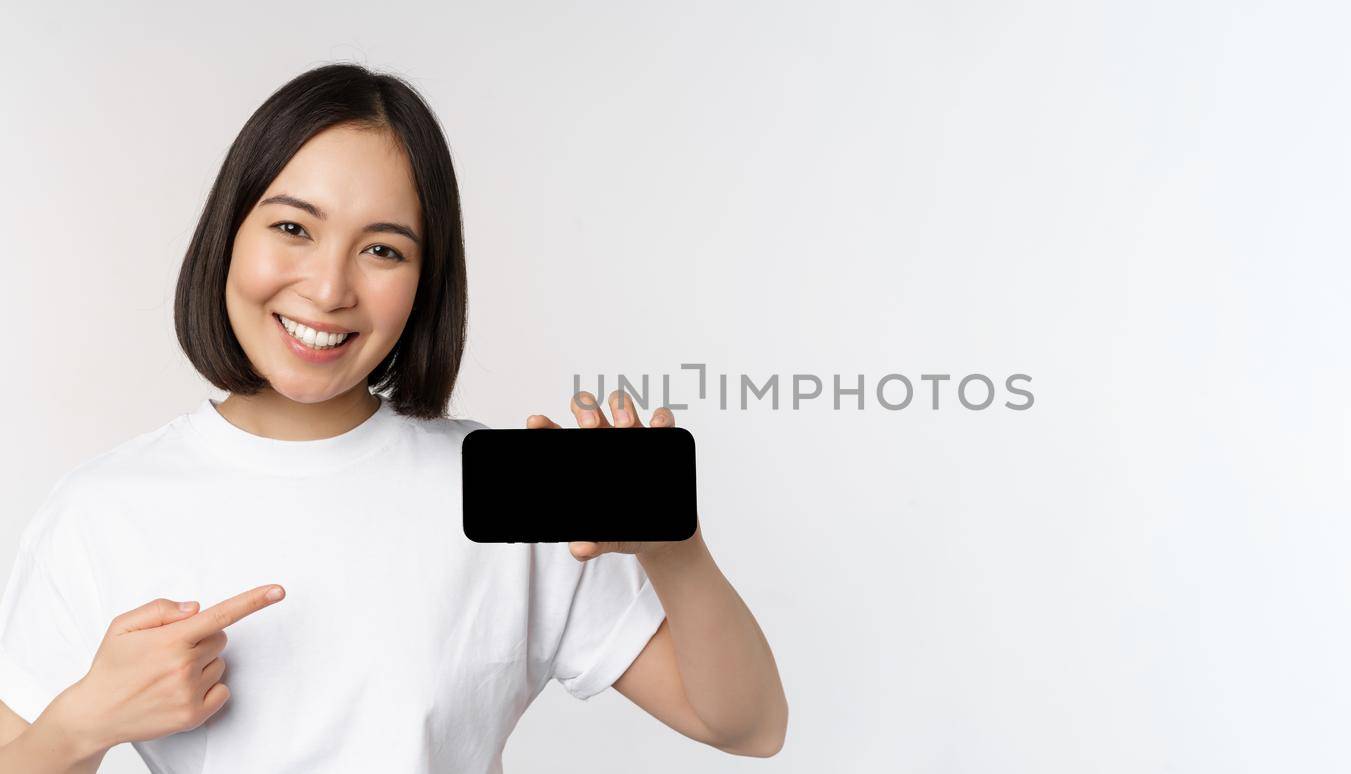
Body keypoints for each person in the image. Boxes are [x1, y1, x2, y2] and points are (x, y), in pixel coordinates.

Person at [0, 63, 786, 773]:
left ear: (425, 284)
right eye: (292, 228)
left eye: (382, 250)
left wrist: (674, 552)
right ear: (228, 234)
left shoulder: (506, 494)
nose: (330, 288)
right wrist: (79, 725)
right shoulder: (104, 510)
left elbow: (748, 727)